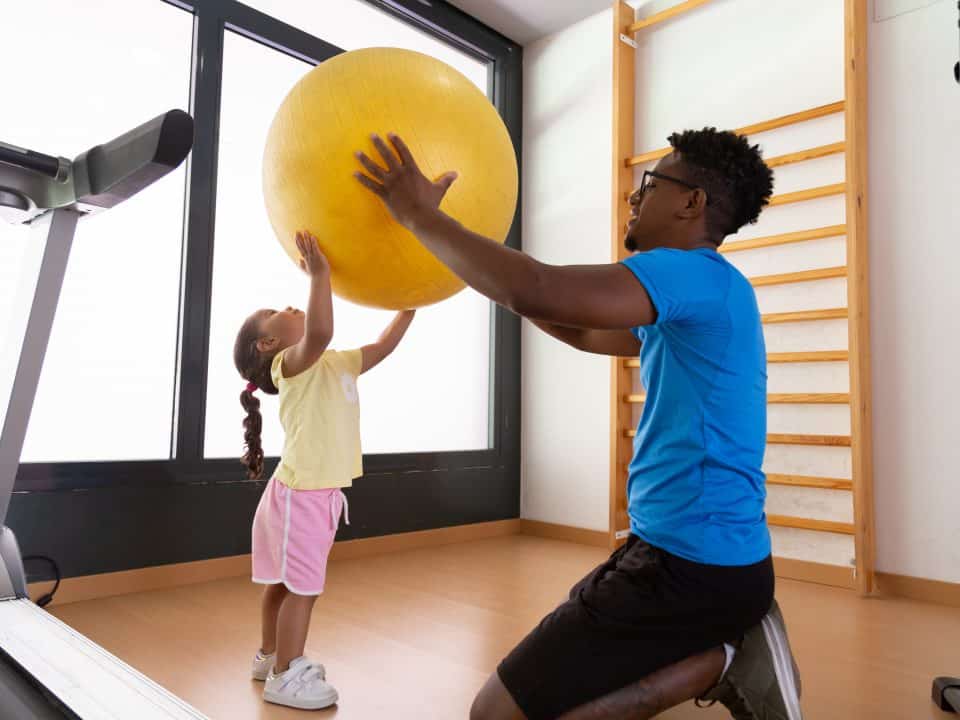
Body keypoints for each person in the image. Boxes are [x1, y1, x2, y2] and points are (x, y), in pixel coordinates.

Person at [352, 128, 802, 720]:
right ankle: (723, 657)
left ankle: (725, 654)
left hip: (693, 570)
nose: (635, 196)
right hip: (702, 561)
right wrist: (474, 261)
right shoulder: (707, 291)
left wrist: (418, 215)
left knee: (492, 713)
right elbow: (580, 327)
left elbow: (535, 289)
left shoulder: (690, 274)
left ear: (691, 202)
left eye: (652, 183)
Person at [233, 230, 415, 710]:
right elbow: (319, 332)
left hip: (306, 491)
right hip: (304, 494)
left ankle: (268, 656)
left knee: (284, 583)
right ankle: (285, 675)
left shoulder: (335, 364)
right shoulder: (289, 366)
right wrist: (320, 275)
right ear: (269, 343)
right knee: (303, 589)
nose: (290, 307)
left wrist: (409, 307)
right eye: (277, 311)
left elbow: (382, 347)